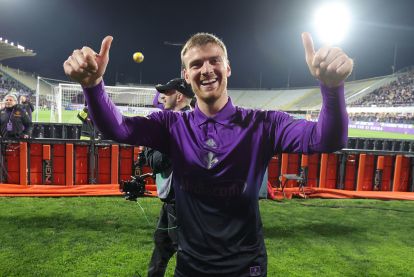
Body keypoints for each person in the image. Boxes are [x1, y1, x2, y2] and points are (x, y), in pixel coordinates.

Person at [64, 32, 352, 276]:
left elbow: (326, 139)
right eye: (196, 64)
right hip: (191, 266)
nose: (207, 69)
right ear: (186, 75)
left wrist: (332, 89)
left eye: (215, 60)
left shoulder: (264, 124)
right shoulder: (171, 125)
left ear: (228, 68)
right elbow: (119, 128)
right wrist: (92, 86)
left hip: (245, 266)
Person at [144, 78, 194, 277]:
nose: (162, 96)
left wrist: (149, 145)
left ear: (180, 96)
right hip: (173, 201)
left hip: (181, 203)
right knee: (161, 244)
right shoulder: (180, 121)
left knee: (186, 254)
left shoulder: (182, 125)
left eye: (167, 92)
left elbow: (157, 161)